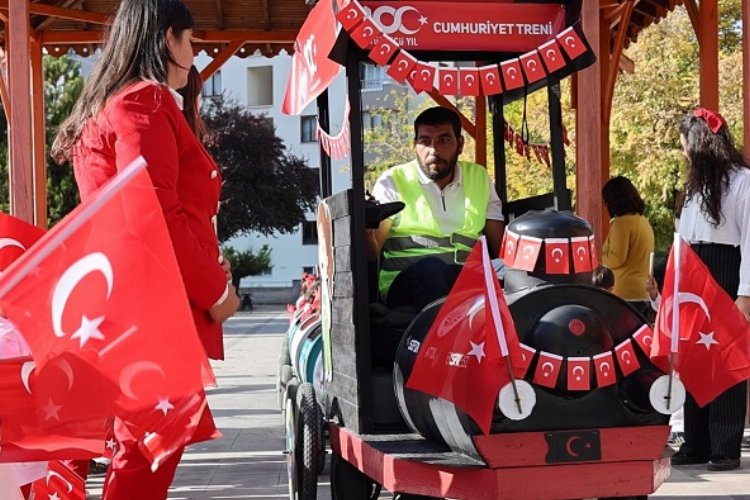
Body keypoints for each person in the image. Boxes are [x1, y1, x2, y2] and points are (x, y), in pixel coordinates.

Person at [51, 0, 240, 497]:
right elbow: (154, 216)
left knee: (122, 449)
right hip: (147, 308)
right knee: (148, 450)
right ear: (167, 39)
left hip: (114, 303)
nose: (195, 55)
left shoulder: (109, 105)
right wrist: (215, 288)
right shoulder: (144, 102)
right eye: (191, 41)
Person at [669, 107, 750, 472]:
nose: (683, 151)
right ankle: (696, 441)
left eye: (685, 143)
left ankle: (725, 445)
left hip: (726, 271)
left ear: (698, 143)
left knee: (727, 362)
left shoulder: (743, 182)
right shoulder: (693, 188)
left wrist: (745, 294)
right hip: (693, 274)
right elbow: (682, 239)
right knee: (694, 359)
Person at [368, 106, 505, 310]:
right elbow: (371, 251)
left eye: (444, 140)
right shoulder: (393, 181)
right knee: (431, 269)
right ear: (415, 146)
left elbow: (501, 247)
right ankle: (440, 340)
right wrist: (367, 226)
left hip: (464, 279)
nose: (434, 150)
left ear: (460, 144)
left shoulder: (479, 178)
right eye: (425, 141)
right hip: (405, 284)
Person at [601, 176, 655, 319]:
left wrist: (600, 257)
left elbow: (616, 259)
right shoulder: (644, 222)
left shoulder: (621, 224)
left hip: (624, 293)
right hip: (644, 292)